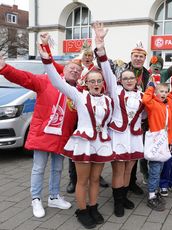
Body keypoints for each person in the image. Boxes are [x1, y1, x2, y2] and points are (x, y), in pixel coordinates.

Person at [39, 46, 114, 229]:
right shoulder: (79, 96)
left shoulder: (108, 100)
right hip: (84, 142)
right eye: (92, 81)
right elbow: (58, 82)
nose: (96, 83)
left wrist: (101, 46)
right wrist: (47, 59)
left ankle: (93, 206)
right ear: (86, 83)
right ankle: (81, 210)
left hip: (101, 142)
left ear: (102, 83)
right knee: (82, 180)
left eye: (99, 81)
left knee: (96, 179)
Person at [0, 56, 80, 218]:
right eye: (71, 68)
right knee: (38, 168)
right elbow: (24, 77)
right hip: (44, 133)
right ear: (62, 70)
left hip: (62, 135)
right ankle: (36, 199)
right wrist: (4, 68)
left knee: (58, 168)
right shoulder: (46, 80)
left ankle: (54, 196)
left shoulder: (78, 91)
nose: (74, 71)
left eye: (78, 70)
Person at [93, 22, 145, 217]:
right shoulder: (115, 91)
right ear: (120, 80)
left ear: (136, 80)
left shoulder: (141, 95)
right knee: (118, 170)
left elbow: (149, 113)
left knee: (129, 170)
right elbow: (106, 68)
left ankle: (123, 197)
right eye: (126, 78)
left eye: (132, 78)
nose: (129, 80)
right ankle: (117, 202)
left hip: (134, 137)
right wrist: (100, 44)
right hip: (119, 136)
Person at [142, 82, 172, 211]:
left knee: (159, 169)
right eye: (161, 91)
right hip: (155, 142)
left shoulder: (166, 106)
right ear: (156, 93)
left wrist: (169, 142)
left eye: (166, 92)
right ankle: (151, 196)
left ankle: (155, 191)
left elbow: (168, 127)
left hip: (163, 141)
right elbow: (145, 99)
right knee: (154, 170)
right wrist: (150, 87)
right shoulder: (152, 104)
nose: (164, 94)